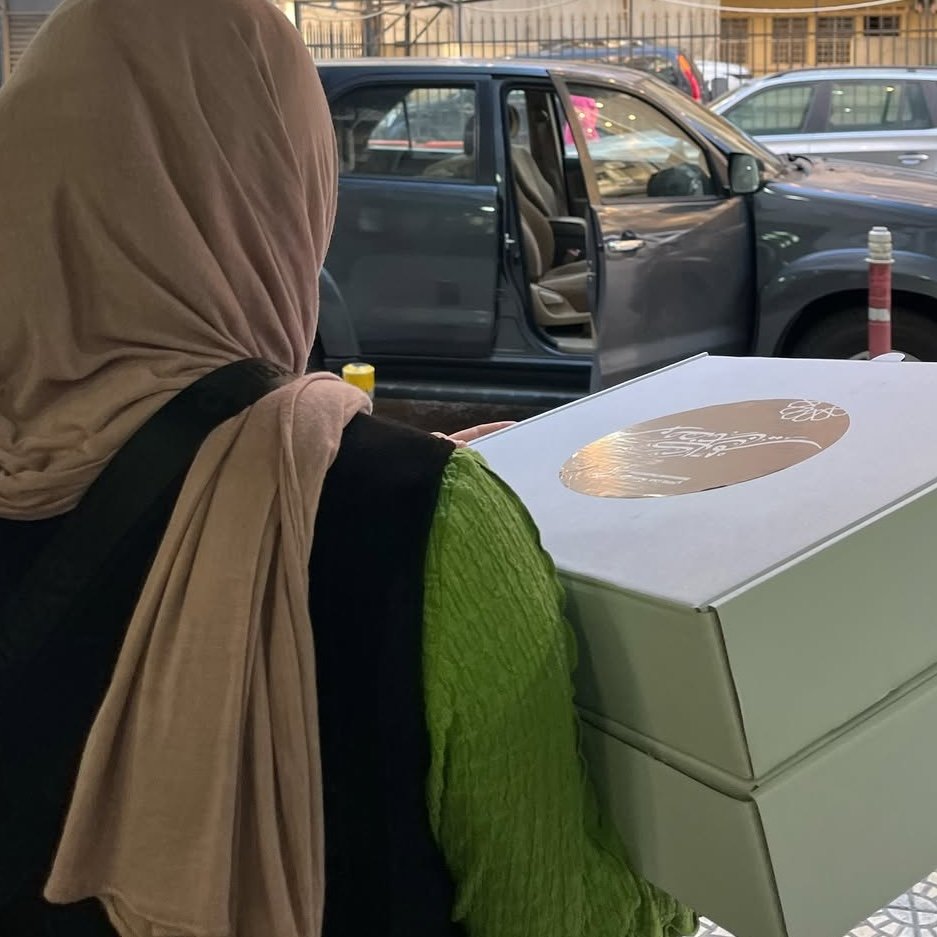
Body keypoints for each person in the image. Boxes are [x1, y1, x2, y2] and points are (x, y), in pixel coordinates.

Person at [0, 2, 697, 936]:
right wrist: (422, 502)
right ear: (278, 191)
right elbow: (568, 916)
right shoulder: (421, 523)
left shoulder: (396, 501)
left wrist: (388, 479)